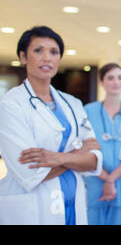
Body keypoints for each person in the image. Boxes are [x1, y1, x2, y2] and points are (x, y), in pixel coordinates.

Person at [0, 26, 102, 225]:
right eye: (38, 50)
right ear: (23, 57)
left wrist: (56, 158)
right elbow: (31, 171)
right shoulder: (11, 105)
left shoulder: (72, 103)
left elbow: (95, 159)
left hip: (73, 203)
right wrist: (77, 154)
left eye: (54, 52)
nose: (47, 58)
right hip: (33, 208)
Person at [83, 63, 121, 225]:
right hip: (96, 181)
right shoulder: (88, 111)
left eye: (120, 77)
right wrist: (105, 178)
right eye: (110, 78)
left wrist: (111, 180)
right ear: (101, 82)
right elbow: (83, 150)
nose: (116, 82)